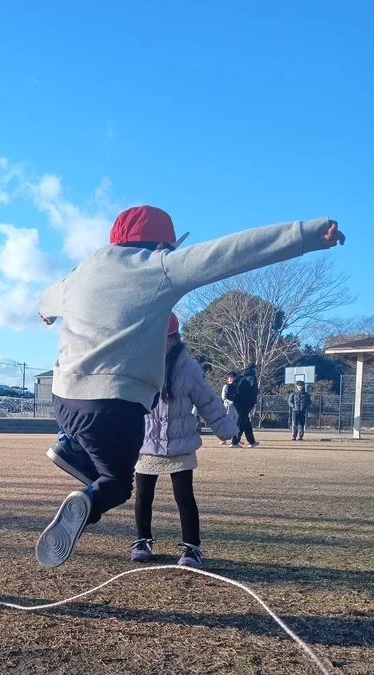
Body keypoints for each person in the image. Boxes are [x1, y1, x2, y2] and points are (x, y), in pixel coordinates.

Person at [35, 205, 345, 568]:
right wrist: (306, 234)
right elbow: (231, 253)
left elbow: (47, 298)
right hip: (115, 406)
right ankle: (89, 501)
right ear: (161, 245)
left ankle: (69, 446)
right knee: (118, 484)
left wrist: (49, 311)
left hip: (64, 399)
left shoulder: (80, 273)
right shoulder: (160, 266)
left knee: (95, 443)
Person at [132, 315, 236, 568]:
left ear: (175, 339)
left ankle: (191, 548)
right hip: (148, 441)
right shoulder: (139, 365)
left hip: (181, 441)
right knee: (143, 496)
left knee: (184, 496)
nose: (157, 345)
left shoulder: (189, 368)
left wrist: (223, 426)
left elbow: (207, 400)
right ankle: (143, 540)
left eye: (163, 339)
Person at [231, 363, 259, 449]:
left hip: (237, 401)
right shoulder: (252, 377)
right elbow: (254, 389)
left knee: (246, 421)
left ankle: (252, 441)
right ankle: (234, 442)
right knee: (241, 422)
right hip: (246, 402)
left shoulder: (240, 376)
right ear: (254, 369)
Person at [219, 372, 238, 445]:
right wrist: (231, 402)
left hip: (236, 408)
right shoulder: (226, 386)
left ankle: (235, 440)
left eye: (233, 377)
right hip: (228, 407)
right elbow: (224, 397)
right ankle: (223, 439)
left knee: (235, 424)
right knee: (227, 423)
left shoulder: (237, 386)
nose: (231, 379)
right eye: (230, 377)